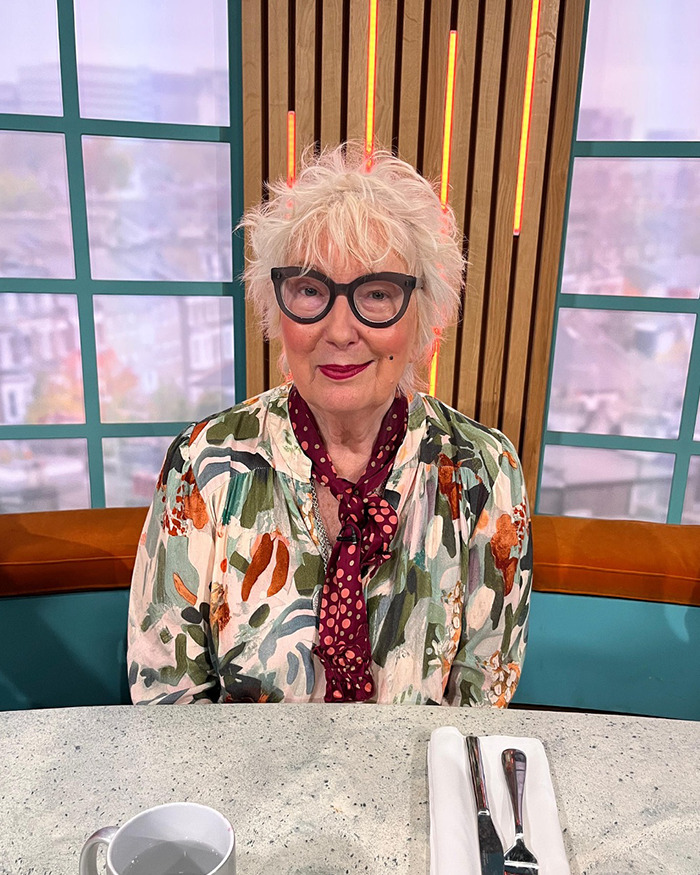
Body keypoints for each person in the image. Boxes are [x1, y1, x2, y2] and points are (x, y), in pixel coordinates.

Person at [127, 143, 532, 706]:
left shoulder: (485, 472)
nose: (340, 331)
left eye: (377, 293)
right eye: (312, 290)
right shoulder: (205, 463)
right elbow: (165, 699)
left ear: (424, 315)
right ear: (277, 305)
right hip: (241, 792)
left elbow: (482, 705)